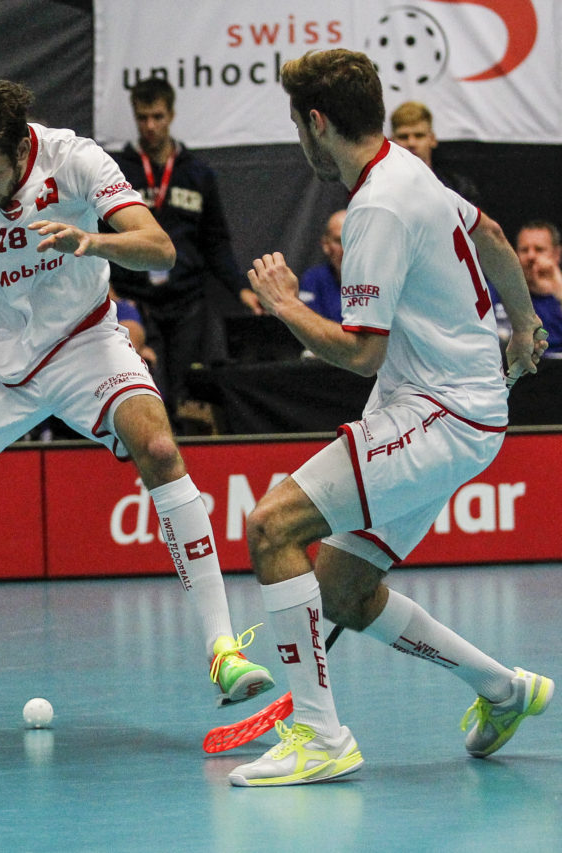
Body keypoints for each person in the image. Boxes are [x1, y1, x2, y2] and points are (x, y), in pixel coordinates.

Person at [0, 78, 275, 728]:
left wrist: (94, 241)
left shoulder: (73, 160)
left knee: (161, 447)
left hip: (87, 342)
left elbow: (161, 248)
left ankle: (222, 648)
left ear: (22, 147)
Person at [230, 49, 552, 787]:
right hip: (457, 410)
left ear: (316, 122)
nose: (298, 142)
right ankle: (504, 689)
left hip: (435, 414)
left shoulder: (375, 203)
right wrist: (526, 322)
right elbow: (495, 237)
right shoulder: (412, 168)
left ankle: (318, 734)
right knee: (343, 588)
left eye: (295, 125)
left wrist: (285, 306)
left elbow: (362, 353)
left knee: (272, 525)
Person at [108, 77, 263, 426]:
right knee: (144, 386)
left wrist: (240, 288)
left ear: (172, 114)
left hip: (186, 303)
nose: (150, 126)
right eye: (142, 117)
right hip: (135, 299)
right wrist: (110, 290)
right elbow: (101, 236)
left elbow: (216, 242)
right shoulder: (118, 170)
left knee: (183, 392)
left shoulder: (197, 173)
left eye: (157, 116)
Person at [389, 101, 481, 205]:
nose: (411, 143)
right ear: (391, 142)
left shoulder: (459, 189)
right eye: (403, 137)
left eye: (419, 136)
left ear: (432, 139)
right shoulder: (379, 187)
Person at [514, 221, 562, 358]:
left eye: (539, 249)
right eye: (524, 250)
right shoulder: (498, 292)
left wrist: (558, 290)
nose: (531, 256)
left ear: (556, 254)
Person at [298, 210, 346, 323]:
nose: (346, 248)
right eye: (339, 241)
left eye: (353, 239)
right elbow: (308, 326)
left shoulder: (378, 281)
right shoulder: (313, 279)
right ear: (326, 245)